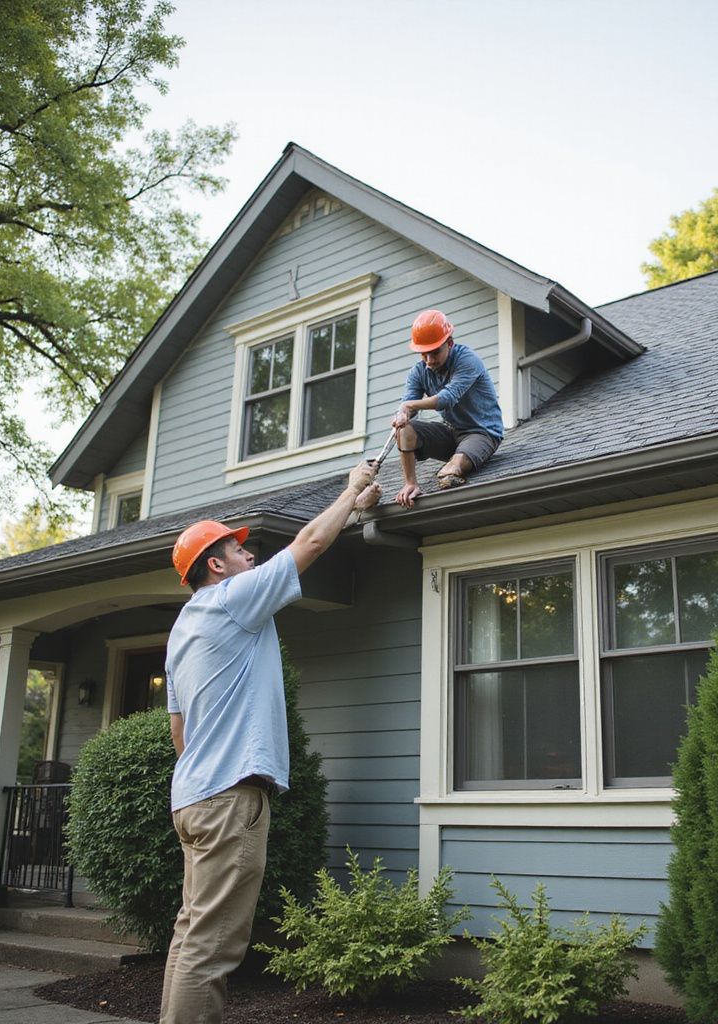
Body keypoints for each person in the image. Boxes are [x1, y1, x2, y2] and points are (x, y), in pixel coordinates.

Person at [160, 461, 379, 1024]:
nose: (249, 555)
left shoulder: (182, 629)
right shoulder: (231, 598)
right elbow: (308, 542)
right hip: (229, 798)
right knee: (212, 949)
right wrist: (351, 493)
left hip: (193, 798)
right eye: (238, 551)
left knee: (190, 937)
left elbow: (179, 732)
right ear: (216, 565)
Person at [392, 309, 504, 507]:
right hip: (451, 433)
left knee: (451, 470)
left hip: (482, 433)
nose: (429, 361)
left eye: (434, 352)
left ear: (449, 343)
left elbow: (447, 398)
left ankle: (455, 465)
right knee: (405, 429)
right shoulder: (418, 372)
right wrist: (402, 413)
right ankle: (410, 484)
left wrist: (408, 405)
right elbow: (409, 405)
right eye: (423, 354)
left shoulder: (467, 360)